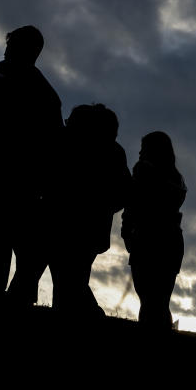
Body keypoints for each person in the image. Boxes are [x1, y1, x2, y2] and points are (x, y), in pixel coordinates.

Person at [0, 25, 62, 304]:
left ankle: (20, 292)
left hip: (26, 170)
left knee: (20, 232)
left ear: (31, 52)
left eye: (14, 46)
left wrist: (44, 176)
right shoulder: (1, 70)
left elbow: (54, 137)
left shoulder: (45, 93)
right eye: (8, 46)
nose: (7, 51)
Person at [50, 104, 131, 317]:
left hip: (73, 224)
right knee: (70, 277)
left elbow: (123, 192)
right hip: (91, 227)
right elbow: (124, 193)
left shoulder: (80, 147)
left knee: (68, 278)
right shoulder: (114, 151)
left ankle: (91, 314)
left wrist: (99, 206)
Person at [122, 131, 187, 329]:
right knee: (152, 300)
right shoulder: (172, 179)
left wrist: (127, 230)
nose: (140, 153)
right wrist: (127, 231)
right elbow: (130, 206)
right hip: (154, 239)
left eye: (144, 149)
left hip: (158, 240)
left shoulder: (168, 179)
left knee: (154, 301)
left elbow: (134, 205)